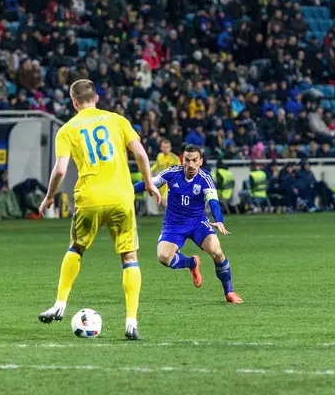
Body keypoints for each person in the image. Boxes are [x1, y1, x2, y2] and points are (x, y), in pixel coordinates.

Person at [37, 79, 161, 341]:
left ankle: (60, 303)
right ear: (97, 97)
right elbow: (140, 153)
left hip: (89, 197)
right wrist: (149, 182)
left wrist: (49, 198)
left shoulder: (67, 129)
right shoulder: (117, 120)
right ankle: (131, 322)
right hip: (121, 197)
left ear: (73, 102)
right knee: (129, 257)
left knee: (76, 248)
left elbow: (60, 170)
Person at [133, 144, 243, 304]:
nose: (191, 164)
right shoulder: (172, 173)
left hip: (198, 223)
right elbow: (149, 182)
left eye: (194, 160)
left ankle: (229, 292)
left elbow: (213, 202)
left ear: (200, 162)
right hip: (174, 224)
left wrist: (219, 219)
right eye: (187, 160)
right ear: (182, 161)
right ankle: (191, 263)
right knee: (163, 257)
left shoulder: (205, 178)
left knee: (216, 252)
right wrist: (128, 191)